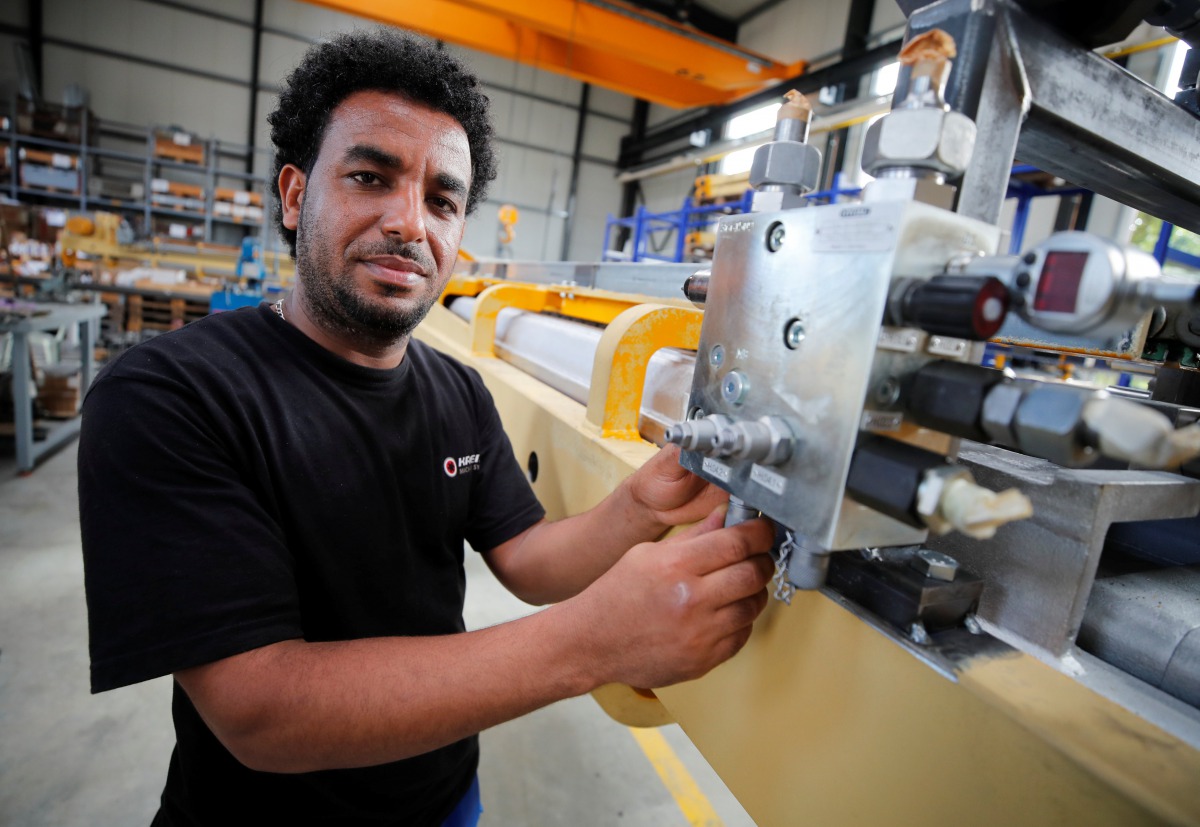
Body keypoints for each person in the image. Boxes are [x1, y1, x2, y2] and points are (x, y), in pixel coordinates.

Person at [78, 28, 775, 827]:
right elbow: (259, 710)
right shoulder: (174, 392)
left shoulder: (457, 391)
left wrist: (641, 507)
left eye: (442, 199)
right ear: (297, 194)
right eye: (371, 177)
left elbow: (525, 559)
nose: (411, 223)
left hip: (444, 800)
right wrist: (592, 643)